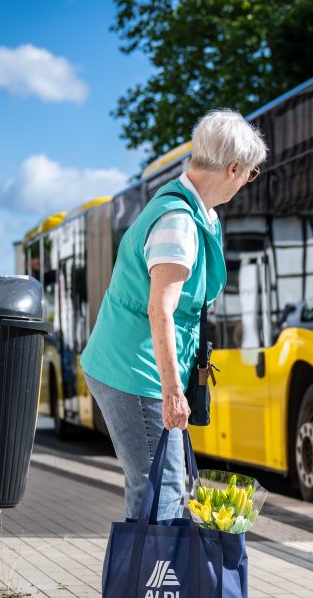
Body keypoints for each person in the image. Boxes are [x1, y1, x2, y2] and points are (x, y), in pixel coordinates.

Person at [81, 110, 267, 521]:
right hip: (136, 371)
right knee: (160, 487)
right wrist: (172, 391)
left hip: (134, 366)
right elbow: (159, 309)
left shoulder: (189, 210)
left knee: (162, 484)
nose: (245, 182)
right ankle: (151, 581)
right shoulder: (178, 222)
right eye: (249, 174)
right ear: (233, 168)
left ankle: (152, 580)